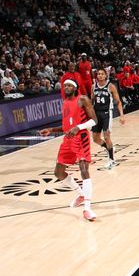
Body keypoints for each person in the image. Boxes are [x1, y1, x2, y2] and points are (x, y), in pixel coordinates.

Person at [39, 79, 98, 221]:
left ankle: (87, 209)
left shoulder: (82, 99)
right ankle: (81, 194)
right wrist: (52, 129)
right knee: (58, 172)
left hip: (81, 137)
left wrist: (79, 127)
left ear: (75, 87)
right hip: (68, 139)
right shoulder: (65, 102)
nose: (66, 87)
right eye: (65, 85)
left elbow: (94, 120)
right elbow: (66, 127)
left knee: (84, 169)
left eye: (69, 85)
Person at [91, 67, 126, 170]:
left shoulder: (111, 86)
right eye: (98, 74)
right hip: (96, 114)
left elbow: (118, 102)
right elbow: (91, 101)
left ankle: (111, 160)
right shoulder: (93, 86)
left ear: (106, 75)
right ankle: (109, 148)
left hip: (107, 113)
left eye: (102, 74)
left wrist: (122, 115)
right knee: (95, 139)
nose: (100, 75)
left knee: (106, 136)